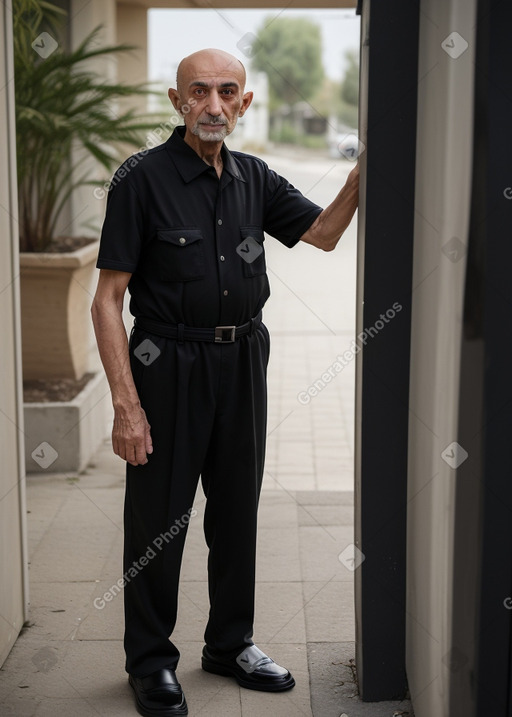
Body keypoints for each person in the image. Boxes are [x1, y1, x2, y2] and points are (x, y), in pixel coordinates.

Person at [91, 48, 359, 717]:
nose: (213, 105)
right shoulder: (141, 180)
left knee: (236, 511)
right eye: (199, 92)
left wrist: (364, 171)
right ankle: (150, 660)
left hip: (242, 360)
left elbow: (323, 233)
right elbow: (106, 299)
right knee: (160, 519)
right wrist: (127, 406)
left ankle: (229, 644)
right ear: (178, 100)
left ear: (244, 104)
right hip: (166, 363)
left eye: (227, 93)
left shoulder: (254, 179)